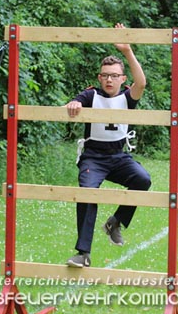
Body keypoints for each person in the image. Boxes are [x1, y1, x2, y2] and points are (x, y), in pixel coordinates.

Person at [64, 23, 151, 268]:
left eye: (114, 75)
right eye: (105, 75)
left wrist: (127, 51)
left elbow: (141, 83)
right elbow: (73, 103)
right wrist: (74, 105)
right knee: (87, 193)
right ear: (99, 77)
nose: (109, 79)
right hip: (93, 156)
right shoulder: (91, 95)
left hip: (118, 156)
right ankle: (83, 253)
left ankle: (115, 222)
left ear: (122, 78)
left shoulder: (127, 96)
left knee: (142, 179)